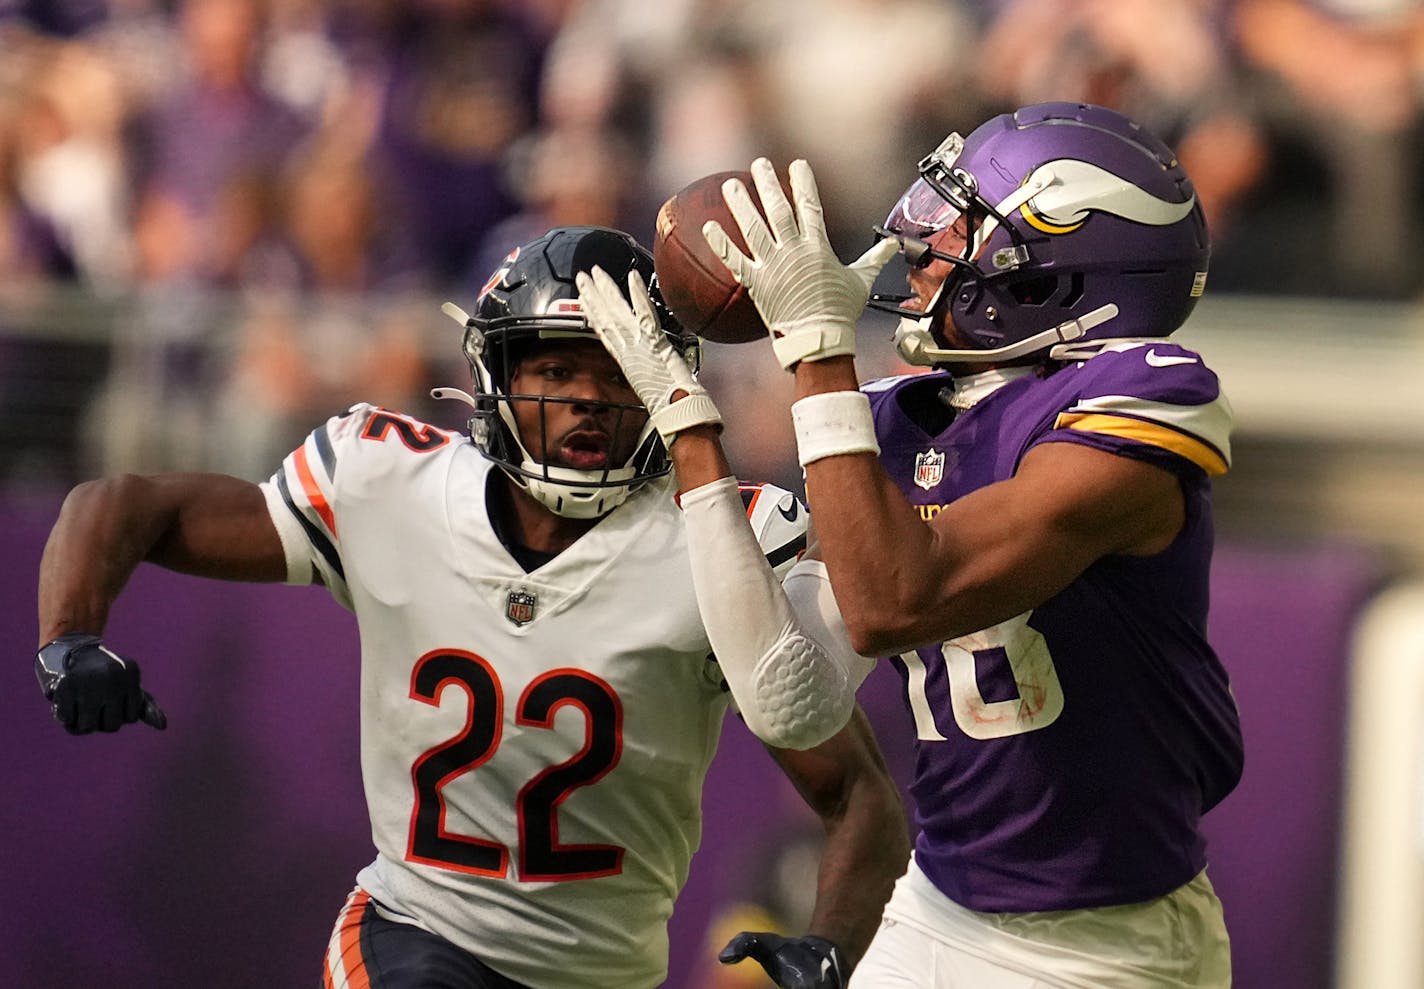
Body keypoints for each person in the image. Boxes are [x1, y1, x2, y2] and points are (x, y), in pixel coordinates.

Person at [32, 226, 910, 989]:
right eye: (557, 368)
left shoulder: (717, 537)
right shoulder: (390, 480)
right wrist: (69, 635)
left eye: (615, 374)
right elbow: (126, 504)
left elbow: (858, 798)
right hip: (416, 929)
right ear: (493, 374)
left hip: (603, 970)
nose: (587, 402)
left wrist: (832, 942)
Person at [579, 102, 1244, 987]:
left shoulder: (1145, 399)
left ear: (1051, 269)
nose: (924, 244)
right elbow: (795, 701)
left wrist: (817, 350)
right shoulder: (902, 414)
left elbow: (899, 600)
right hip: (936, 901)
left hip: (1108, 943)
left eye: (963, 229)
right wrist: (689, 429)